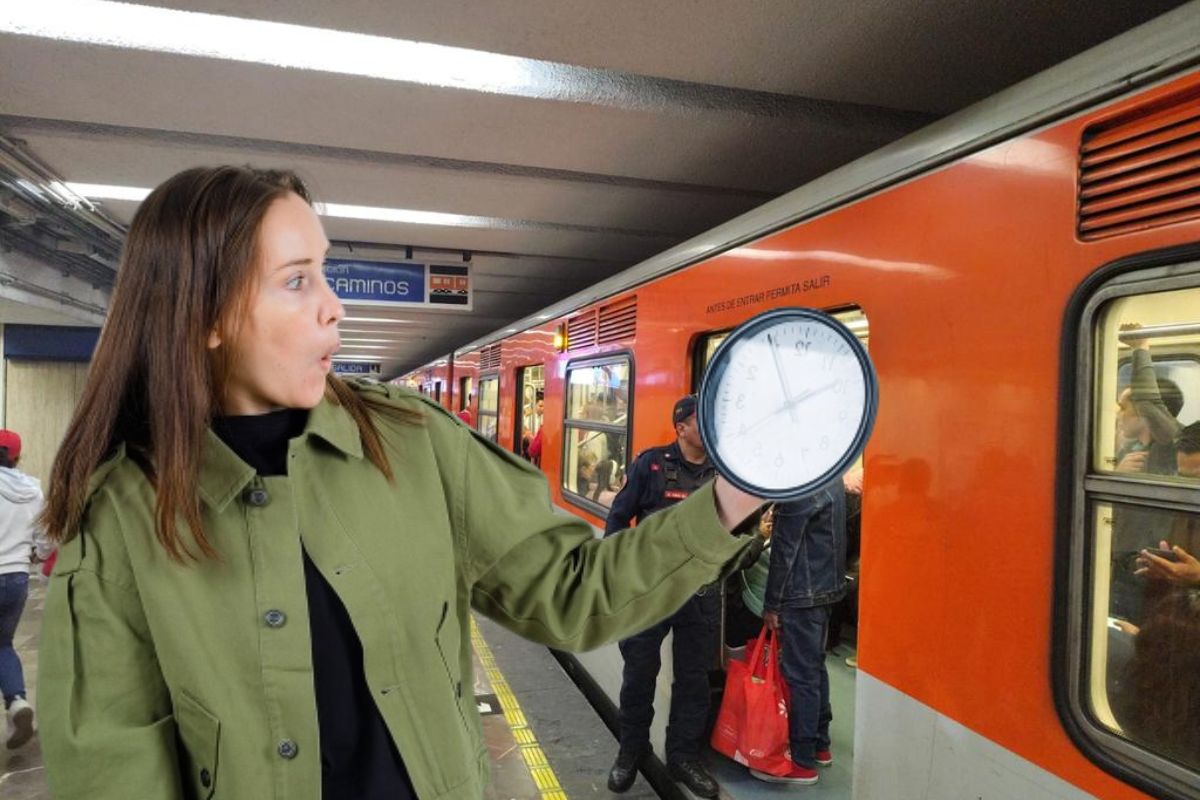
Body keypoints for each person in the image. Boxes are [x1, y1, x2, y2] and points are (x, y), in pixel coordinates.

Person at [34, 166, 767, 800]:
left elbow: (572, 591)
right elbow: (113, 766)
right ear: (207, 316)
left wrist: (733, 499)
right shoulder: (123, 518)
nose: (334, 305)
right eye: (297, 281)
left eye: (323, 272)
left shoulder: (410, 443)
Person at [604, 395, 724, 799]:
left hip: (699, 593)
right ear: (682, 427)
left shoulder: (722, 473)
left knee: (694, 680)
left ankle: (683, 758)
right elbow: (618, 519)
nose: (708, 429)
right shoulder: (651, 465)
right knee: (638, 676)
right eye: (699, 421)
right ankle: (630, 753)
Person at [751, 484, 847, 785]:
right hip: (825, 587)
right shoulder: (831, 477)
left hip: (801, 594)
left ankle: (801, 762)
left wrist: (772, 604)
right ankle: (820, 745)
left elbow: (785, 548)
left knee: (799, 675)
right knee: (815, 668)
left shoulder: (799, 486)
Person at [0, 428, 47, 750]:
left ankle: (16, 702)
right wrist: (40, 556)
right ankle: (16, 700)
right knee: (3, 643)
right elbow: (46, 540)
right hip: (16, 577)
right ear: (17, 456)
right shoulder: (33, 489)